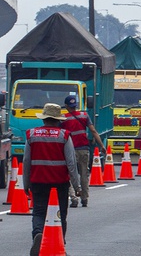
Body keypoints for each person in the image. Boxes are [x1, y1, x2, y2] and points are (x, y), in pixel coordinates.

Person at [23, 103, 82, 256]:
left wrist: (26, 184)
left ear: (43, 119)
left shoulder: (31, 134)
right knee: (60, 213)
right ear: (57, 120)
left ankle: (37, 234)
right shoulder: (64, 135)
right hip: (59, 183)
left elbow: (26, 161)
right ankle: (59, 244)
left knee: (39, 212)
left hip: (38, 181)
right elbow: (71, 163)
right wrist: (77, 186)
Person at [61, 94, 102, 208]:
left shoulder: (64, 118)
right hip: (84, 149)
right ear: (75, 105)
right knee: (84, 174)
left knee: (69, 174)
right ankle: (84, 198)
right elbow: (93, 131)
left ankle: (74, 198)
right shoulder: (84, 116)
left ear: (66, 106)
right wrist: (101, 145)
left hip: (70, 150)